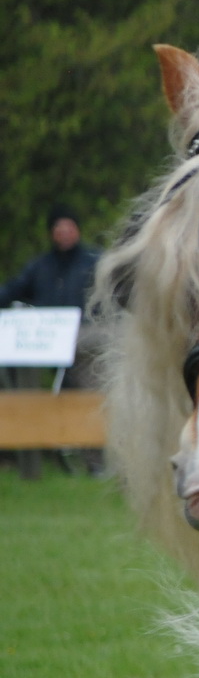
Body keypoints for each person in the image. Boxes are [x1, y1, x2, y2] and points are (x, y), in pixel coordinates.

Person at [2, 204, 103, 477]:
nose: (64, 233)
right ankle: (20, 448)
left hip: (85, 339)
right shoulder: (40, 266)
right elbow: (14, 290)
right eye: (59, 228)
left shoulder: (95, 262)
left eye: (69, 227)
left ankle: (96, 461)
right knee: (22, 385)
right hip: (47, 341)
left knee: (89, 396)